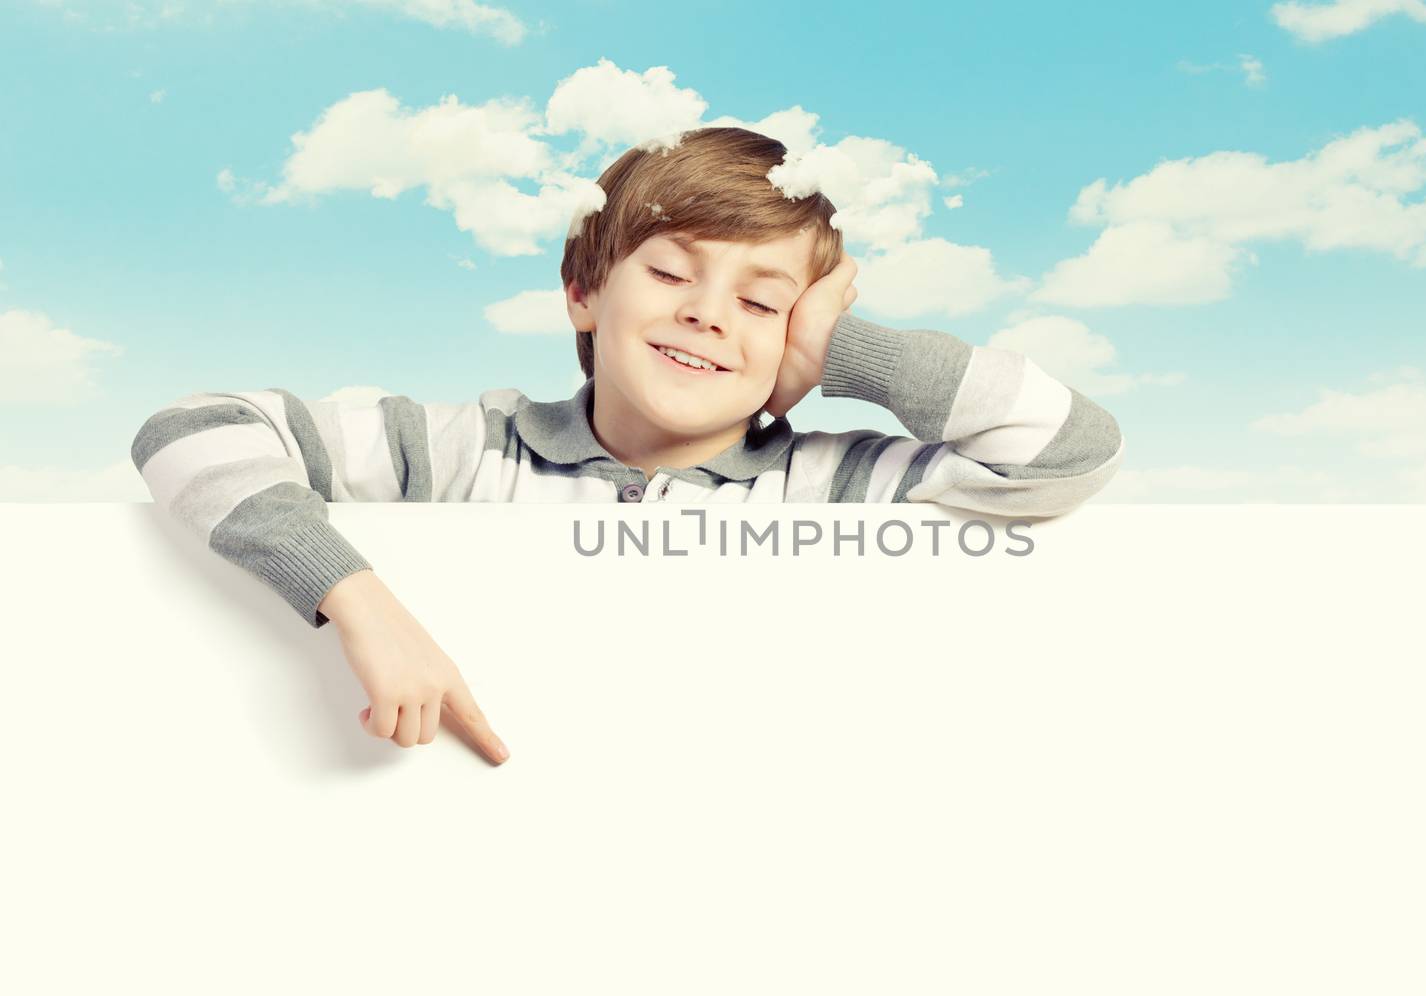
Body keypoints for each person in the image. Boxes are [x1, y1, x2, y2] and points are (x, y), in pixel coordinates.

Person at [130, 126, 1125, 767]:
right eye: (669, 273)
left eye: (760, 300)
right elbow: (191, 429)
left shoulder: (838, 483)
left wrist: (839, 350)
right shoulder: (461, 451)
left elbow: (1069, 451)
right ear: (584, 289)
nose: (704, 315)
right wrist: (358, 598)